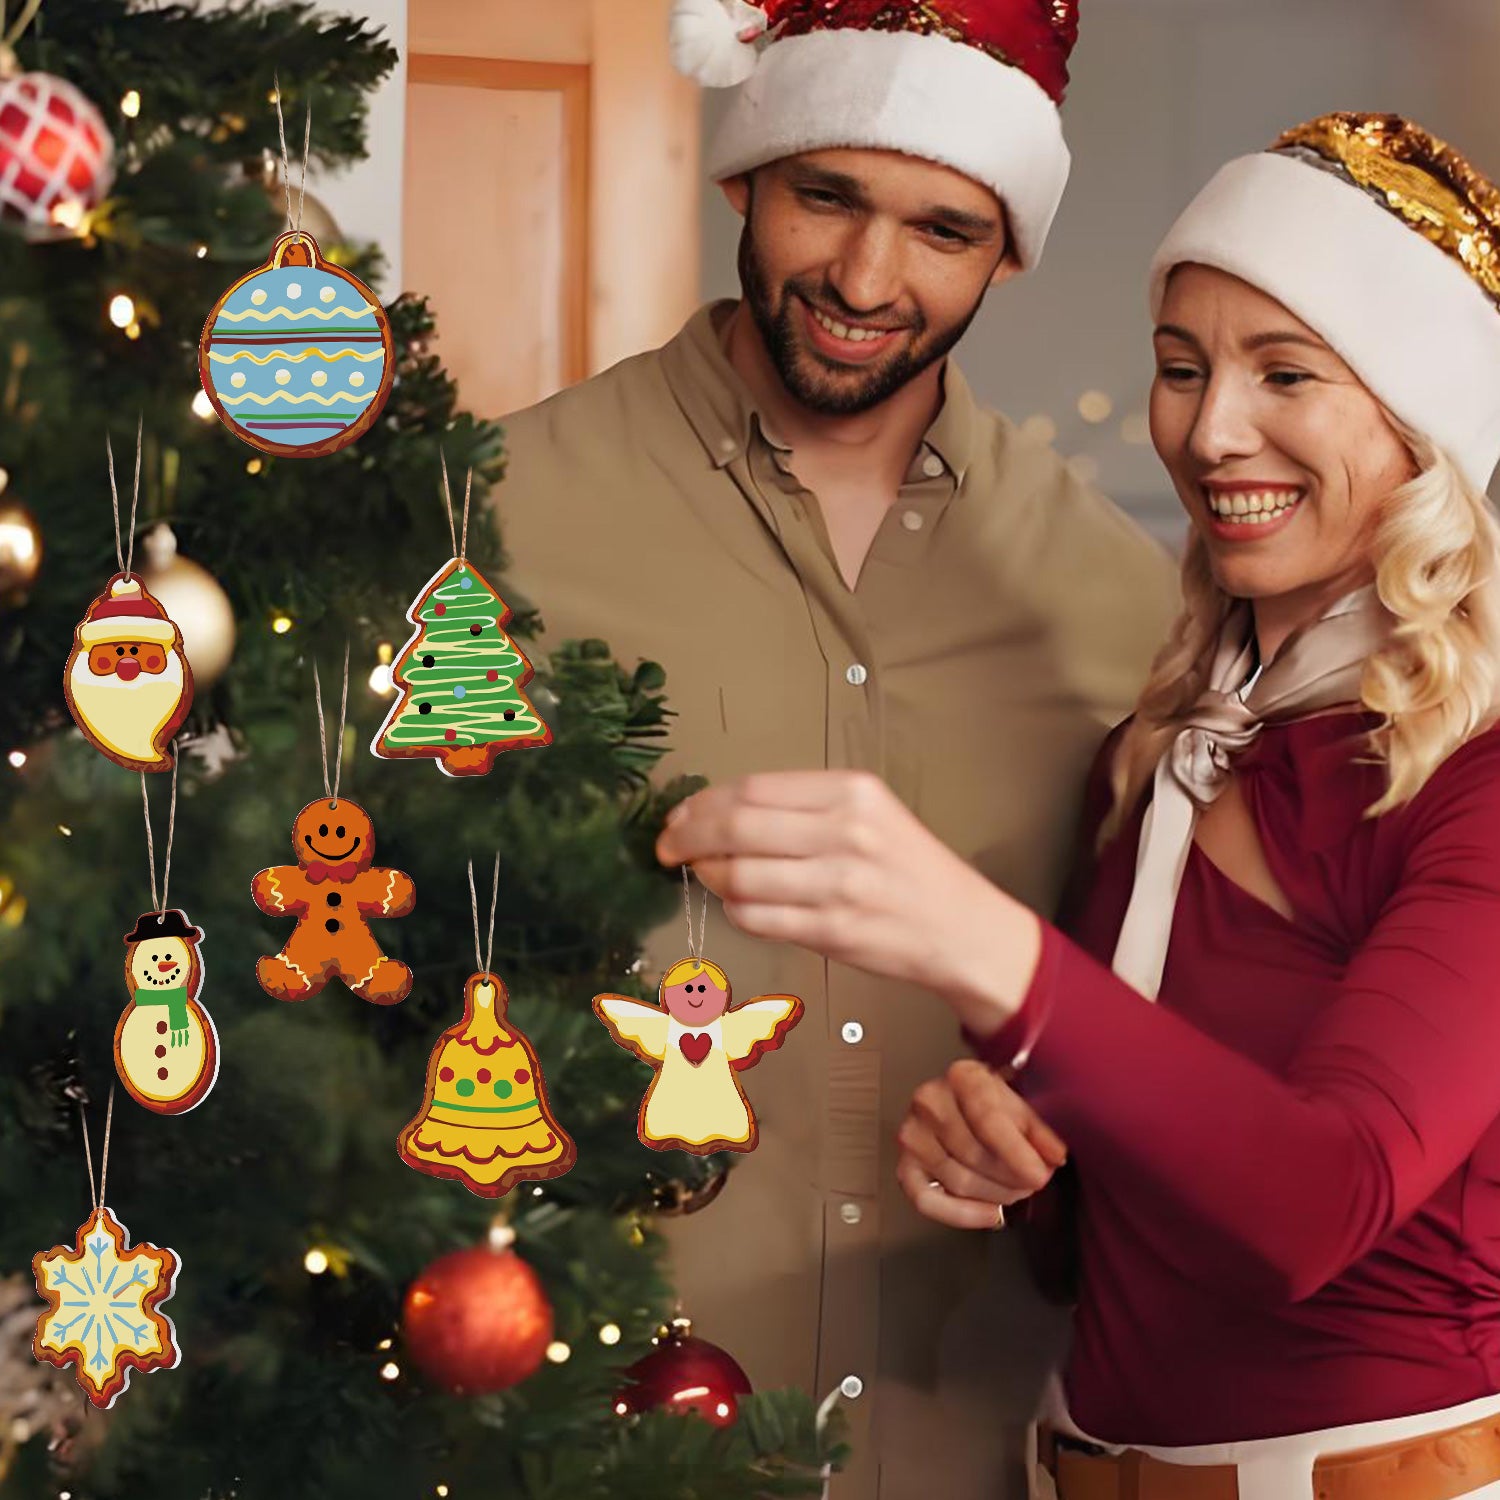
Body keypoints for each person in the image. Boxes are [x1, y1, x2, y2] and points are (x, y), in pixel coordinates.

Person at [656, 111, 1500, 1500]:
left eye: (1285, 373)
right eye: (1181, 368)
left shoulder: (1472, 778)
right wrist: (1018, 1164)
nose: (1209, 428)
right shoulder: (1162, 756)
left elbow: (1316, 1204)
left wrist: (979, 945)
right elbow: (1127, 1232)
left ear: (1420, 425)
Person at [495, 1, 1177, 1493]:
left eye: (942, 229)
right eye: (827, 197)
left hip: (976, 1435)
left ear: (1006, 249)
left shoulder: (1123, 607)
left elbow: (1169, 1032)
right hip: (579, 1424)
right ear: (744, 177)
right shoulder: (494, 519)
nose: (869, 279)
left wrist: (1058, 1139)